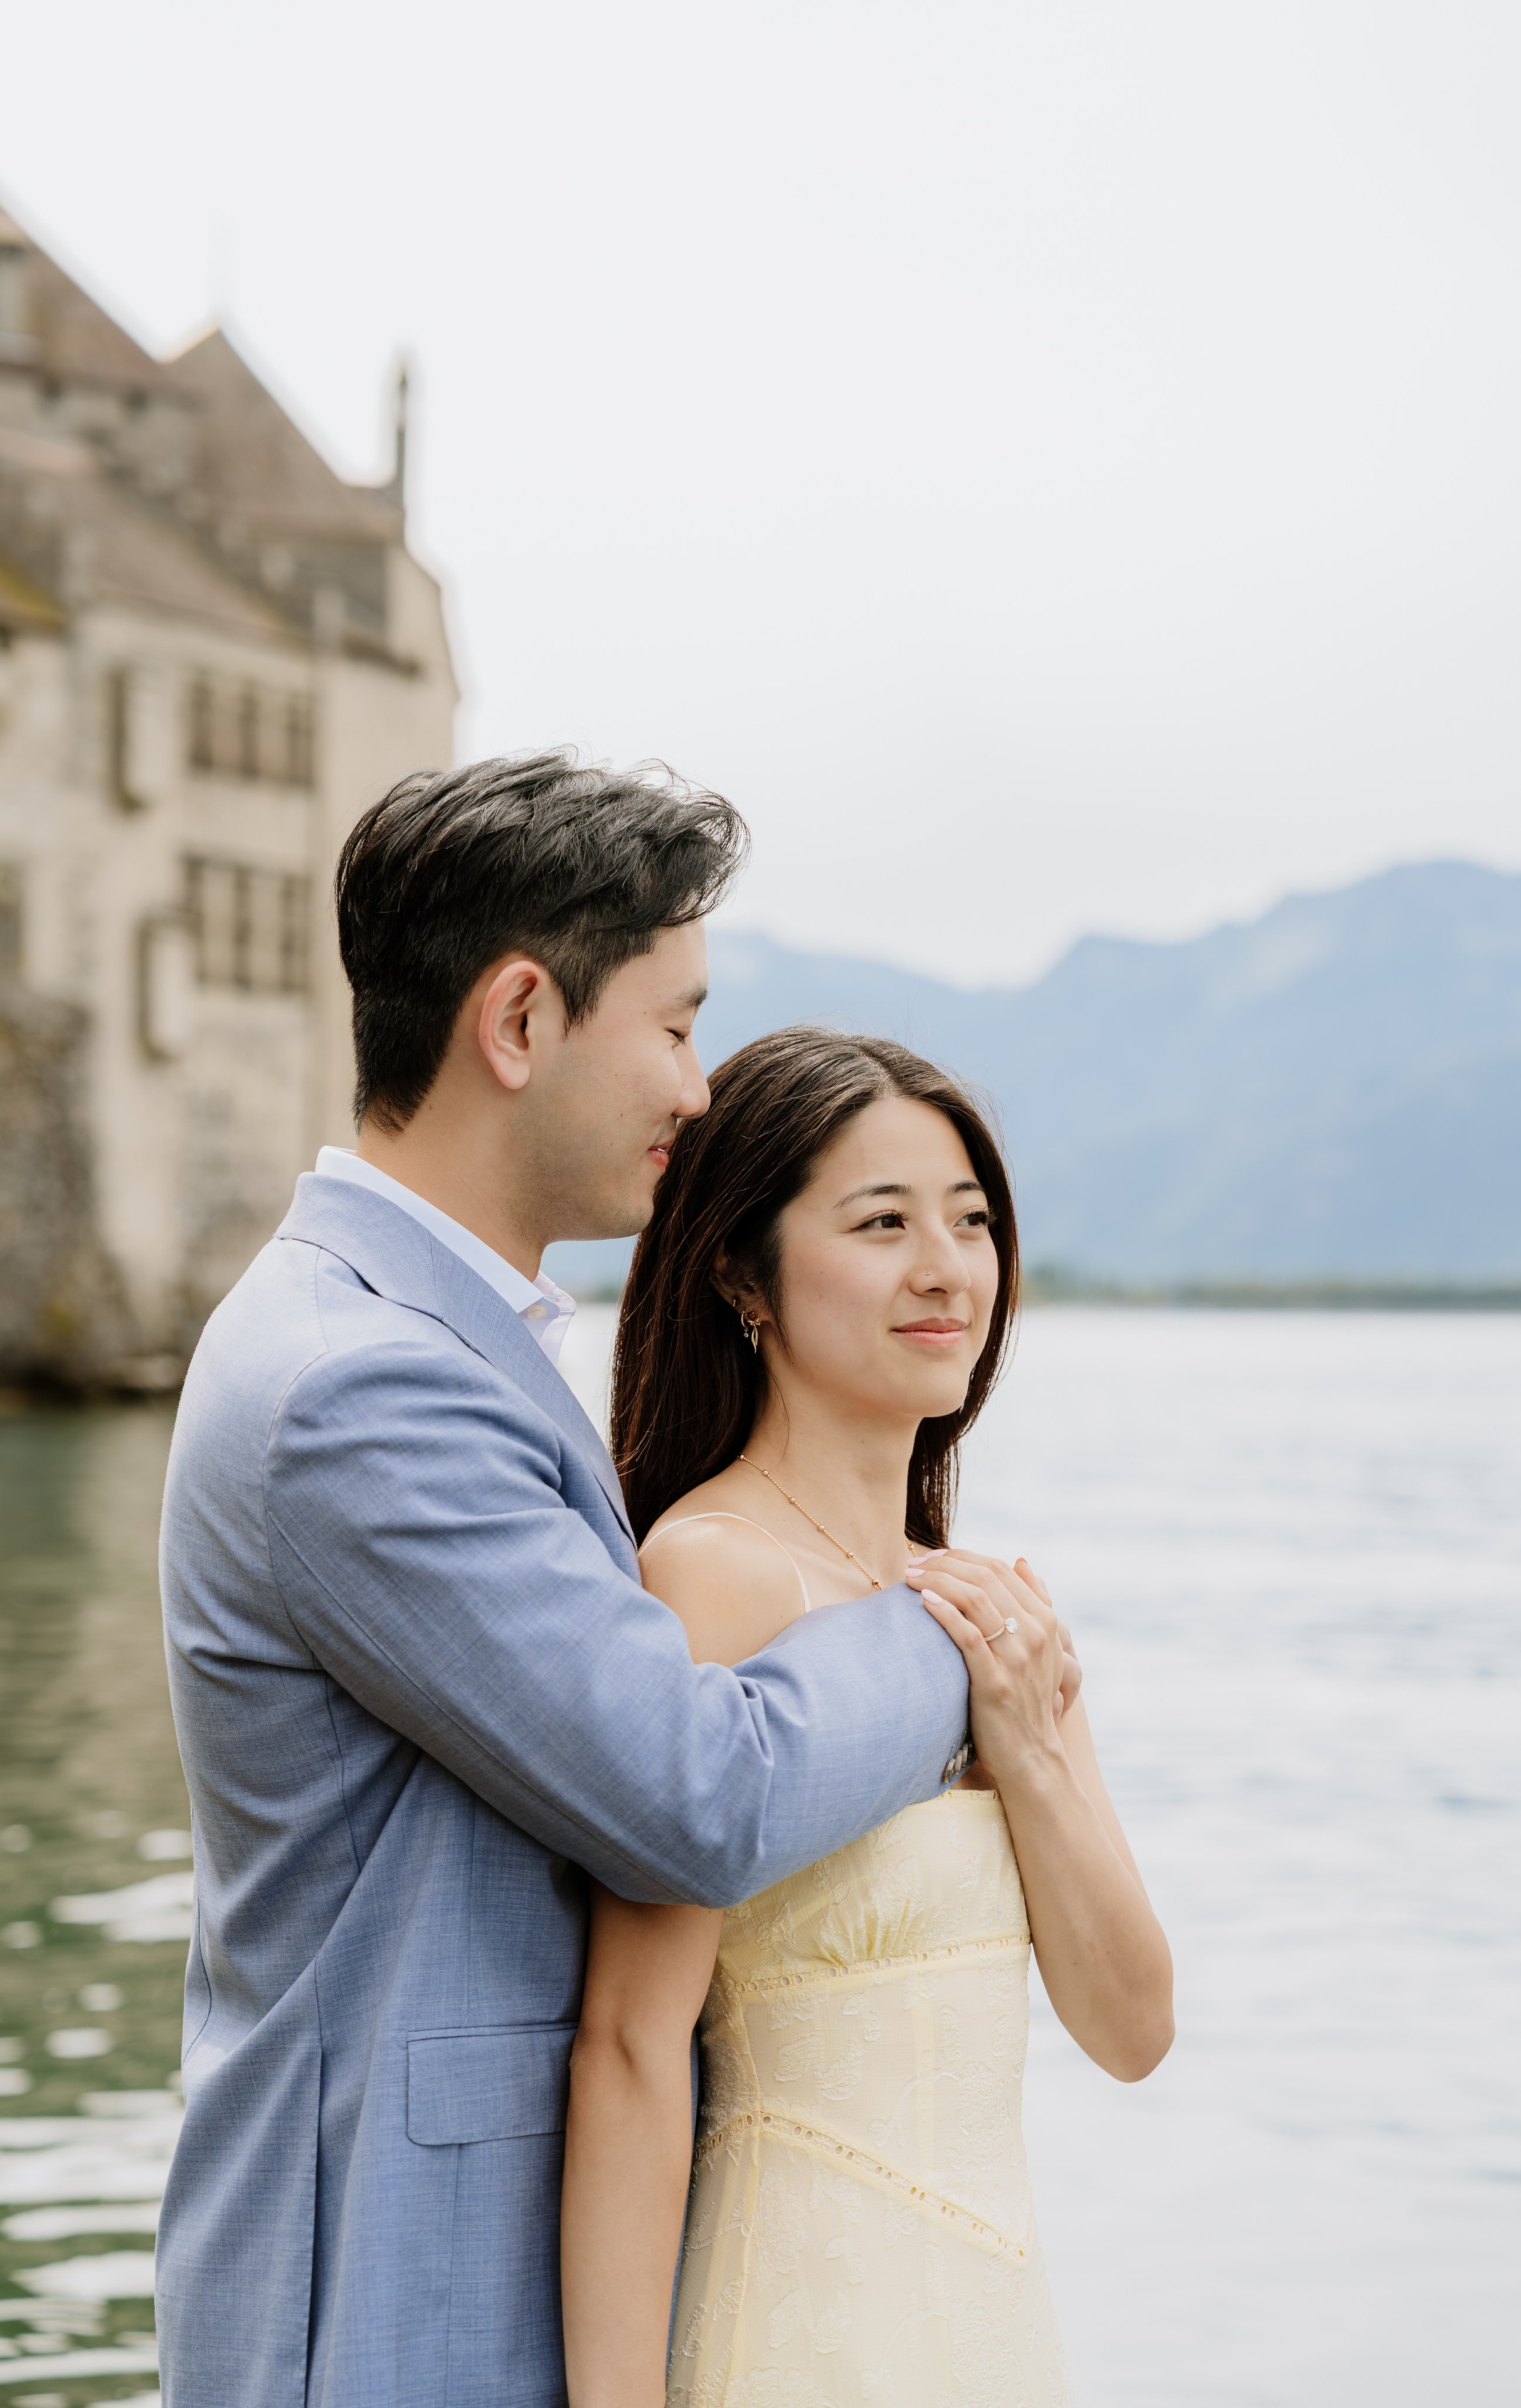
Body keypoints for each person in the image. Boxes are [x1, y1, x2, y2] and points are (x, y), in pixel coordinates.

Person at [154, 754, 980, 2408]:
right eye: (673, 1027)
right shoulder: (359, 1387)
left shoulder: (432, 1340)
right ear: (520, 1021)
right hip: (390, 2305)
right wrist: (949, 1632)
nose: (698, 1088)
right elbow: (690, 1795)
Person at [561, 1029, 1174, 2406]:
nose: (946, 1268)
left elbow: (1133, 2029)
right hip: (795, 2327)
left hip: (992, 2334)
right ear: (741, 1274)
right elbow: (631, 2044)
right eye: (882, 1222)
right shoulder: (711, 1574)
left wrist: (1029, 1748)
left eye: (970, 1221)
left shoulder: (985, 1614)